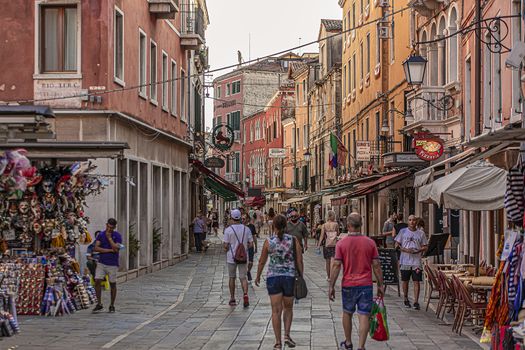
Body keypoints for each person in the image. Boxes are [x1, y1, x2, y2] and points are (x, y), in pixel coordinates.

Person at [329, 212, 384, 350]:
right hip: (366, 284)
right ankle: (361, 346)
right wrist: (381, 285)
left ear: (348, 226)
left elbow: (336, 265)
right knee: (364, 315)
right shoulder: (370, 243)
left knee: (347, 312)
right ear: (361, 225)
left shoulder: (341, 244)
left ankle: (348, 343)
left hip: (348, 284)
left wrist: (331, 285)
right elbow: (376, 265)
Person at [255, 214, 303, 350]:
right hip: (289, 277)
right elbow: (299, 261)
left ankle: (277, 343)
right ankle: (287, 335)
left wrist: (258, 276)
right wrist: (301, 276)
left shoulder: (269, 242)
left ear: (273, 226)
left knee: (276, 311)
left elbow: (262, 261)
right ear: (286, 225)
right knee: (288, 308)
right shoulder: (294, 241)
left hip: (273, 278)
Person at [395, 214, 428, 310]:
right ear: (408, 221)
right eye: (409, 220)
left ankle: (416, 301)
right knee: (405, 281)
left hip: (416, 261)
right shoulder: (403, 232)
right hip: (405, 261)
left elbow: (425, 246)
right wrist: (404, 249)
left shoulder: (421, 233)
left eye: (413, 220)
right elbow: (397, 244)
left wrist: (418, 250)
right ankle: (405, 298)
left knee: (416, 281)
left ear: (416, 221)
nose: (412, 222)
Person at [223, 209, 253, 307]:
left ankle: (232, 298)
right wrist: (244, 249)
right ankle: (245, 295)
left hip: (231, 258)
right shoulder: (246, 229)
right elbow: (251, 244)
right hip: (243, 257)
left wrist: (226, 249)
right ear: (240, 218)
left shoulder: (228, 230)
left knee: (232, 277)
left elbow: (226, 246)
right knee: (243, 277)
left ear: (231, 218)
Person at [93, 219, 123, 313]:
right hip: (102, 262)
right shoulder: (101, 235)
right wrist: (109, 250)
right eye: (108, 227)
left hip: (112, 263)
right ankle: (99, 303)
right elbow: (96, 248)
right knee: (97, 280)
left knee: (112, 283)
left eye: (111, 227)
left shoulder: (117, 236)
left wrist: (110, 238)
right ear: (106, 225)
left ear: (114, 227)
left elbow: (116, 249)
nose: (109, 229)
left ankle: (112, 305)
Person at [318, 211, 339, 281]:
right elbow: (337, 233)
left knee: (327, 261)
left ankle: (328, 277)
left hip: (326, 245)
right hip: (334, 244)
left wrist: (318, 245)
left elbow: (321, 236)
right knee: (333, 260)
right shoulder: (336, 224)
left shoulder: (324, 225)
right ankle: (332, 276)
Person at [244, 214, 258, 282]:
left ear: (248, 219)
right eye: (242, 219)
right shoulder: (241, 227)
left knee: (251, 262)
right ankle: (244, 274)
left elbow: (254, 237)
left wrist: (256, 247)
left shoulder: (252, 226)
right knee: (244, 262)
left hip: (250, 246)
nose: (243, 220)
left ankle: (248, 271)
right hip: (243, 247)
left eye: (244, 218)